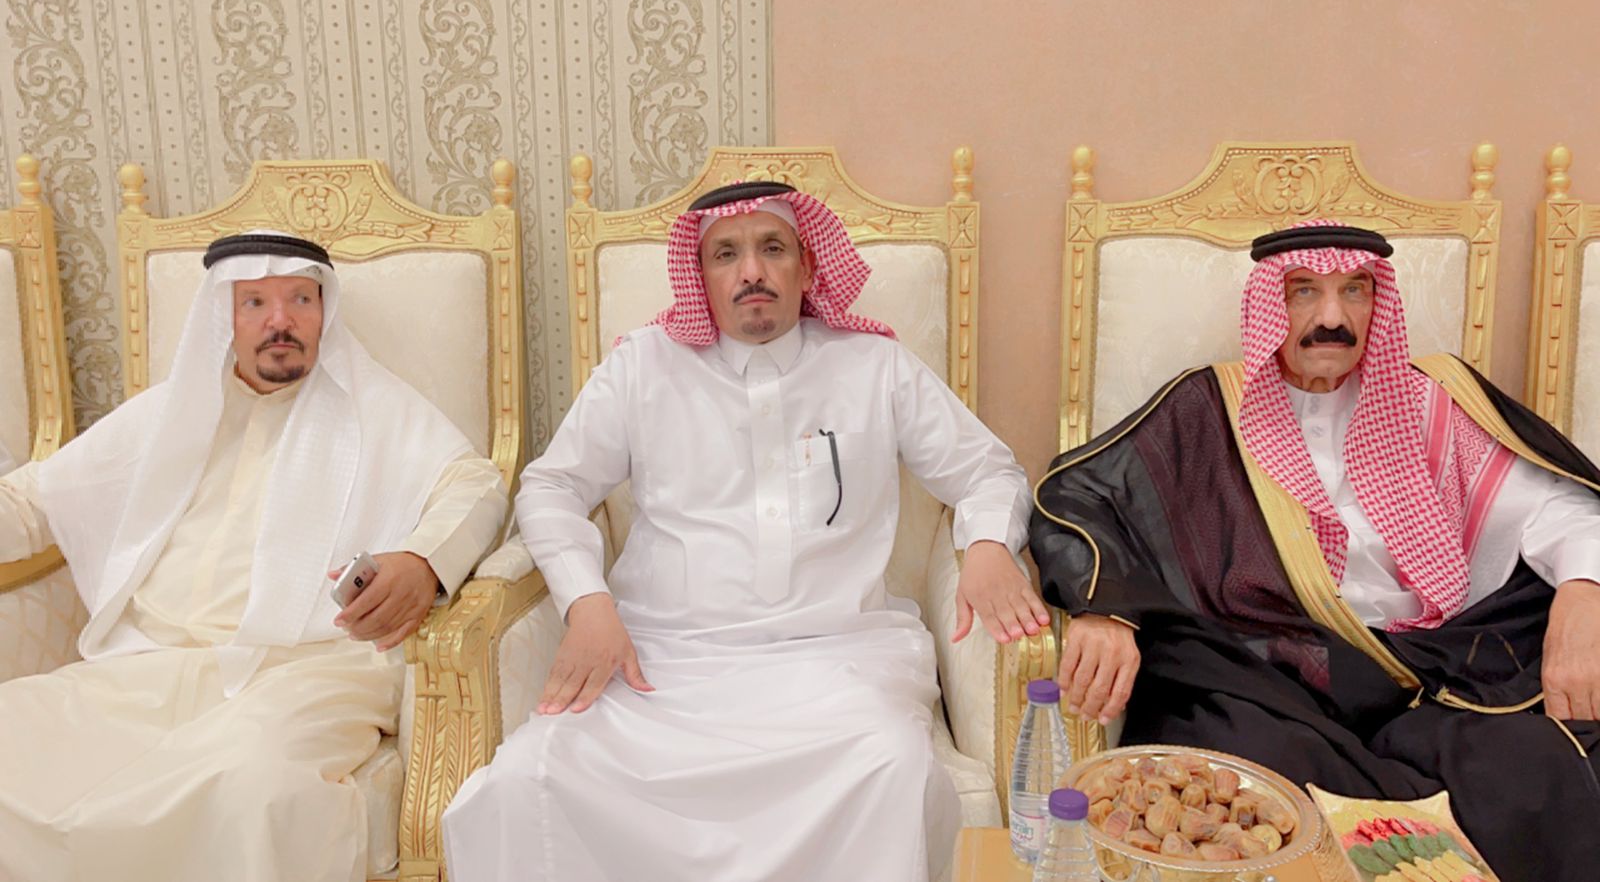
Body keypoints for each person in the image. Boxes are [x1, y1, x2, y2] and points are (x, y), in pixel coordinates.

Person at [442, 181, 1038, 882]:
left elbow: (988, 471)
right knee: (527, 777)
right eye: (725, 254)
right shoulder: (642, 367)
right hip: (665, 663)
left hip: (835, 663)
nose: (751, 271)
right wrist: (587, 602)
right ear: (700, 276)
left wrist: (988, 546)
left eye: (772, 248)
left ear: (808, 268)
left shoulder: (874, 366)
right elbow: (551, 487)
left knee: (892, 764)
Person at [1031, 220, 1600, 880]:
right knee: (1241, 770)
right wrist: (1106, 609)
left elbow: (1564, 508)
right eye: (1304, 291)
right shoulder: (1211, 410)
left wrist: (1583, 598)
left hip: (1433, 674)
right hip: (1280, 675)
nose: (1333, 318)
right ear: (1269, 303)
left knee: (1539, 768)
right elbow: (1081, 495)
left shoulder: (1434, 400)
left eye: (1354, 290)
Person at [0, 231, 507, 882]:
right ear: (226, 316)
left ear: (324, 312)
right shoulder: (170, 413)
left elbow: (477, 485)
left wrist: (423, 560)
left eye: (300, 299)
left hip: (310, 672)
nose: (280, 321)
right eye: (255, 302)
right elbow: (33, 501)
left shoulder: (378, 409)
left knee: (252, 788)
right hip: (151, 666)